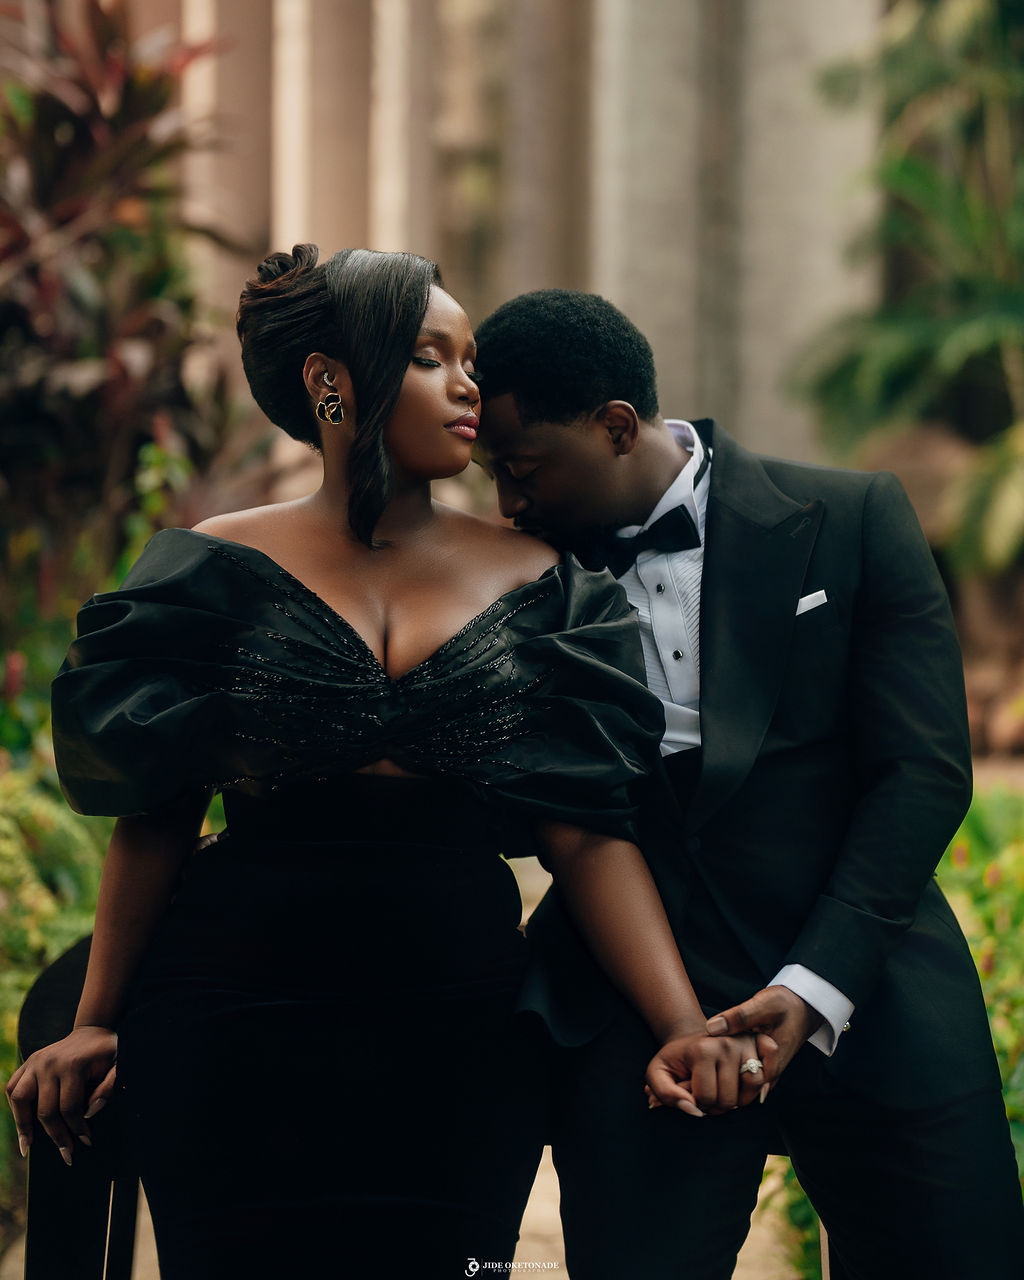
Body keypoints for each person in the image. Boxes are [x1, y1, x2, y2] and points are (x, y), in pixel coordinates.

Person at [5, 248, 768, 1280]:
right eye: (429, 356)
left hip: (458, 1025)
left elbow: (584, 831)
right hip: (230, 1014)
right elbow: (155, 813)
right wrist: (94, 1022)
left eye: (472, 360)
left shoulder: (546, 579)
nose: (470, 386)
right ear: (331, 380)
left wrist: (679, 1021)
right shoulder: (209, 566)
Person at [472, 288, 1024, 1280]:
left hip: (866, 974)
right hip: (642, 1012)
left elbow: (921, 769)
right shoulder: (517, 582)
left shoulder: (852, 519)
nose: (508, 502)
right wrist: (679, 1015)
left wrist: (811, 986)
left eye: (522, 469)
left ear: (614, 426)